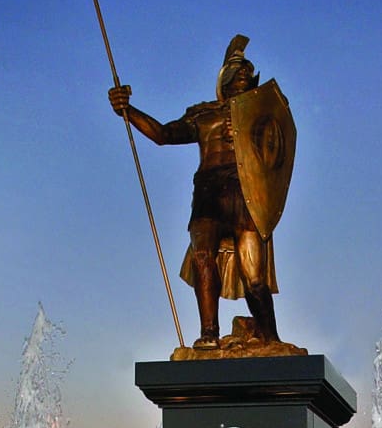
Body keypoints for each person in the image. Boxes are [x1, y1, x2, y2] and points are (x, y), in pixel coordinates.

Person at [109, 35, 281, 349]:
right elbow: (163, 134)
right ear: (225, 81)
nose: (244, 78)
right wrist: (127, 111)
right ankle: (209, 335)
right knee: (203, 257)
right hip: (208, 194)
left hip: (247, 197)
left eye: (248, 75)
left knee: (254, 277)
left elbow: (276, 156)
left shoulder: (261, 117)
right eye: (238, 74)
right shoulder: (202, 114)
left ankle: (271, 340)